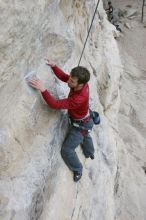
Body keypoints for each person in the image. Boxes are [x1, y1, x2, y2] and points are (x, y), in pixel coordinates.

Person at [28, 59, 95, 182]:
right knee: (86, 134)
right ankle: (90, 151)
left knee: (67, 150)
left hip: (80, 125)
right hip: (85, 121)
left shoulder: (79, 98)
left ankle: (78, 168)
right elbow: (65, 77)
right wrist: (54, 66)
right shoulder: (82, 82)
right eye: (71, 78)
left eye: (72, 81)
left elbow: (54, 104)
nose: (68, 81)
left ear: (80, 84)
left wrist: (43, 89)